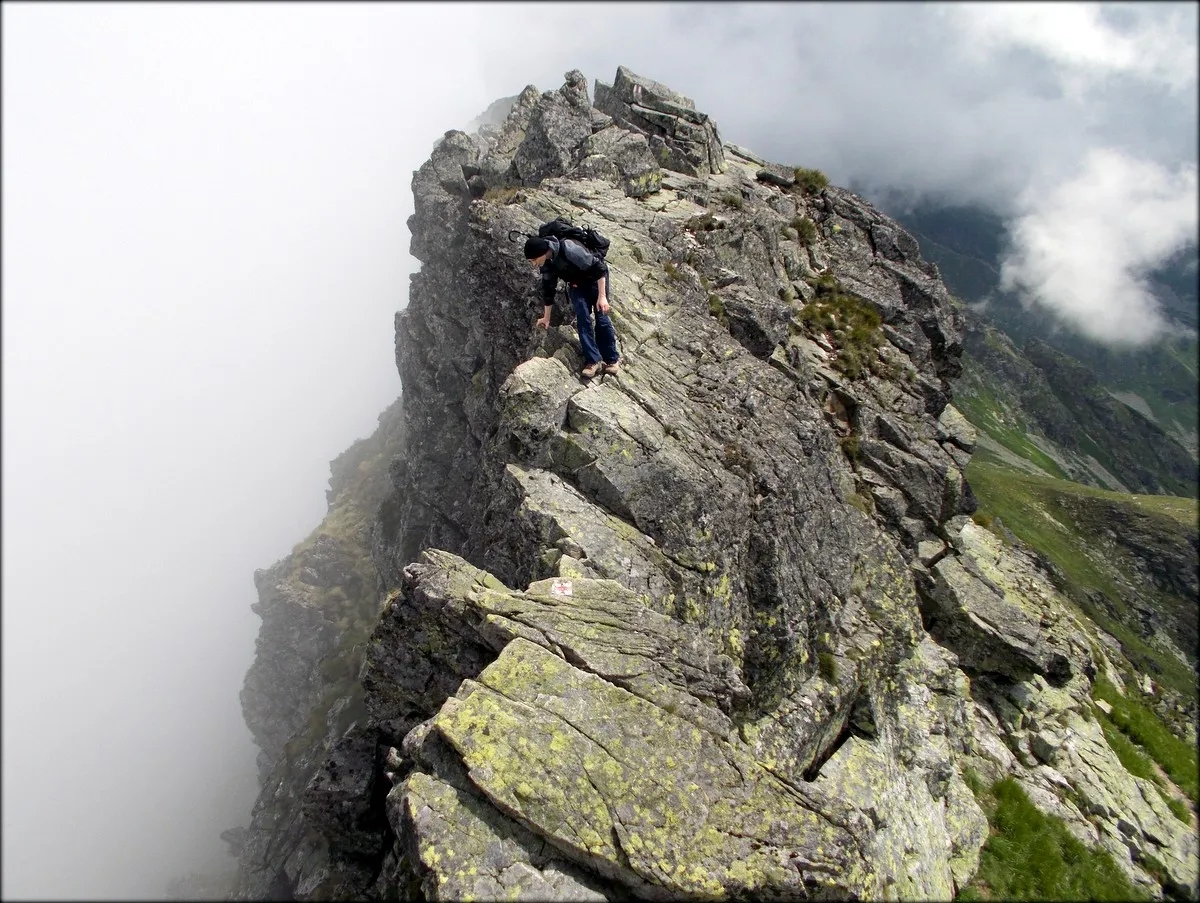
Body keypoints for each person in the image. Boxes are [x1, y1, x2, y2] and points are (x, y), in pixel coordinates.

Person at [525, 235, 621, 378]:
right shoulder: (547, 263)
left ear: (541, 252)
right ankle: (593, 361)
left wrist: (602, 297)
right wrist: (546, 317)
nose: (533, 264)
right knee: (583, 318)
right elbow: (548, 290)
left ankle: (611, 360)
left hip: (596, 280)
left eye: (533, 260)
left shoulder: (570, 249)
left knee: (602, 317)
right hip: (577, 285)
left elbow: (599, 268)